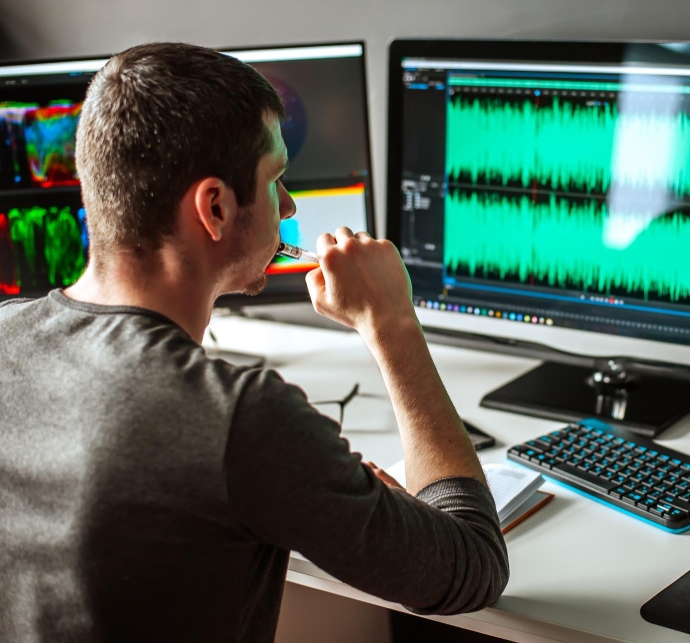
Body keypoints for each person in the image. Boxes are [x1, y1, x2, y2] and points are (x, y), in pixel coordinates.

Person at [0, 42, 508, 642]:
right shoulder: (236, 418)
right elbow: (472, 567)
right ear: (214, 207)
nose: (289, 205)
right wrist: (393, 324)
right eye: (276, 179)